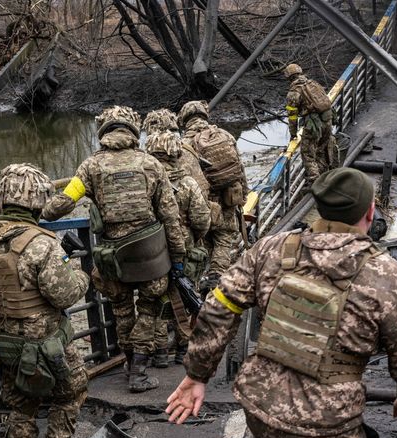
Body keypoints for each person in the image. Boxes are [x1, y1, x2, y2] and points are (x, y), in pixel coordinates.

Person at [166, 168, 397, 438]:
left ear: (319, 209)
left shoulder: (271, 249)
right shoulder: (385, 275)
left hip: (260, 408)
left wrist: (197, 374)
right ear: (370, 213)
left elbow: (219, 305)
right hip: (328, 423)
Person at [43, 106, 186, 392]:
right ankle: (139, 372)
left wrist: (39, 207)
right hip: (151, 256)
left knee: (122, 311)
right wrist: (178, 257)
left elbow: (60, 206)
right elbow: (170, 215)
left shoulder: (90, 166)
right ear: (133, 130)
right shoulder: (151, 165)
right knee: (149, 310)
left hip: (113, 259)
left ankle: (130, 363)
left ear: (104, 131)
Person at [0, 163, 90, 438]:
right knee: (70, 395)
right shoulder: (43, 244)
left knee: (19, 406)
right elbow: (64, 293)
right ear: (38, 202)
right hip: (48, 344)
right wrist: (82, 276)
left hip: (5, 345)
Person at [146, 130, 212, 365]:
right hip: (184, 247)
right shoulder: (188, 183)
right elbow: (203, 220)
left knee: (157, 299)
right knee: (186, 294)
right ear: (176, 154)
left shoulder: (147, 183)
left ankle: (160, 351)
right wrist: (193, 236)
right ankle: (184, 349)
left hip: (152, 249)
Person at [178, 100, 247, 293]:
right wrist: (243, 196)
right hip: (227, 199)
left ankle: (202, 285)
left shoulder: (183, 145)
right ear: (204, 115)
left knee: (203, 243)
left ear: (184, 120)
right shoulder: (224, 135)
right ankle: (217, 276)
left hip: (202, 205)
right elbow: (239, 169)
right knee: (224, 240)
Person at [284, 63, 339, 183]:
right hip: (327, 120)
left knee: (307, 154)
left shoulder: (294, 92)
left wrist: (293, 134)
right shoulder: (314, 84)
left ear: (289, 77)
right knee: (322, 148)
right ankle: (326, 175)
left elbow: (292, 117)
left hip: (313, 125)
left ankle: (315, 181)